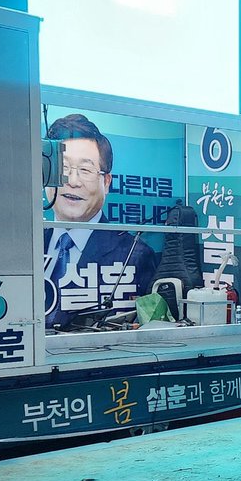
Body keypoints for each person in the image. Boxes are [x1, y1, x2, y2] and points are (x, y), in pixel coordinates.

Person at [43, 113, 156, 328]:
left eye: (85, 170)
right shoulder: (25, 248)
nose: (73, 181)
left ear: (106, 182)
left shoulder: (135, 255)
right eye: (63, 169)